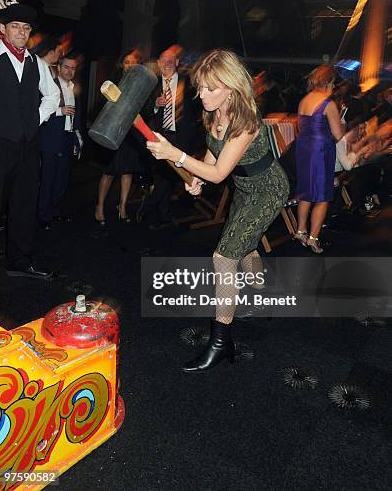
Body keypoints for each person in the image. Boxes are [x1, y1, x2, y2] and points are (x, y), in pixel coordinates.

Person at [147, 49, 289, 372]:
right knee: (246, 244)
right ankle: (262, 289)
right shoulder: (213, 113)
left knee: (224, 257)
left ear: (231, 87)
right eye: (200, 87)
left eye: (211, 88)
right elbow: (212, 161)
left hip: (268, 189)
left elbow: (220, 173)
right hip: (245, 187)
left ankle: (221, 343)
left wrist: (177, 156)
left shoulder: (246, 122)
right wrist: (196, 179)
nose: (202, 95)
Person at [0, 3, 60, 278]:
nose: (21, 32)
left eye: (26, 28)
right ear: (2, 29)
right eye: (15, 27)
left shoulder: (36, 63)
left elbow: (52, 96)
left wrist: (37, 117)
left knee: (24, 203)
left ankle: (19, 261)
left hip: (27, 147)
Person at [138, 48, 200, 229]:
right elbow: (144, 110)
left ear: (178, 63)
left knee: (172, 176)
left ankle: (152, 207)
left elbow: (198, 107)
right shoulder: (152, 84)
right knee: (163, 176)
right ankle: (159, 213)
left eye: (171, 59)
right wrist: (155, 106)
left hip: (182, 136)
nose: (167, 63)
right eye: (163, 60)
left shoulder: (188, 83)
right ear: (158, 63)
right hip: (160, 136)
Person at [294, 65, 344, 253]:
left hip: (304, 148)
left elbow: (301, 129)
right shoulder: (328, 103)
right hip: (320, 151)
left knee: (306, 191)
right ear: (329, 82)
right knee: (323, 196)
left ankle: (300, 231)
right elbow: (338, 134)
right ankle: (313, 238)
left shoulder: (303, 100)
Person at [95, 48, 147, 225]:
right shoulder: (113, 82)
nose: (130, 65)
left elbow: (144, 111)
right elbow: (102, 108)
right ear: (122, 65)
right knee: (109, 171)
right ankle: (100, 206)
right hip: (113, 131)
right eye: (127, 62)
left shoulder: (142, 85)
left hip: (130, 135)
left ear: (138, 65)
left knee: (127, 170)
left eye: (133, 62)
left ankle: (123, 207)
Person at [38, 52, 82, 229]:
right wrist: (59, 111)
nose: (70, 71)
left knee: (62, 179)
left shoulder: (73, 87)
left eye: (73, 68)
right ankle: (43, 216)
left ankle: (53, 211)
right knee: (48, 178)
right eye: (66, 67)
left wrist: (77, 140)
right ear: (59, 66)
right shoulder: (50, 85)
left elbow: (76, 117)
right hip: (50, 138)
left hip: (67, 137)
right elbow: (38, 109)